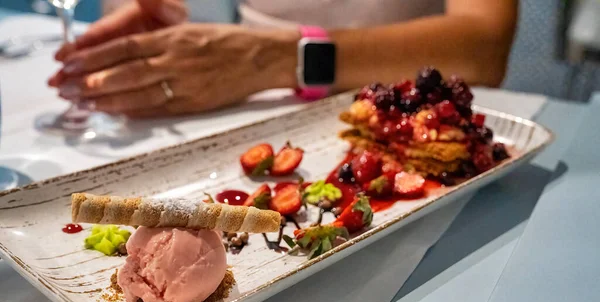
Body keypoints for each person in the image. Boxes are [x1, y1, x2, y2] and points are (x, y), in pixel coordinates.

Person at [48, 0, 517, 118]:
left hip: (399, 111)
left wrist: (275, 58)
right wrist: (173, 16)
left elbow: (484, 44)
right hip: (239, 105)